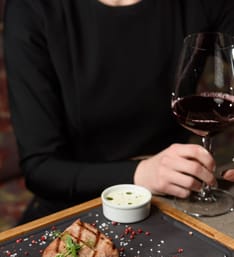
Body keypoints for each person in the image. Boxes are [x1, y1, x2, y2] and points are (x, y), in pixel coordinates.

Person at [3, 0, 234, 223]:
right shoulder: (31, 8)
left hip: (175, 203)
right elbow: (41, 169)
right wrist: (142, 174)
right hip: (75, 211)